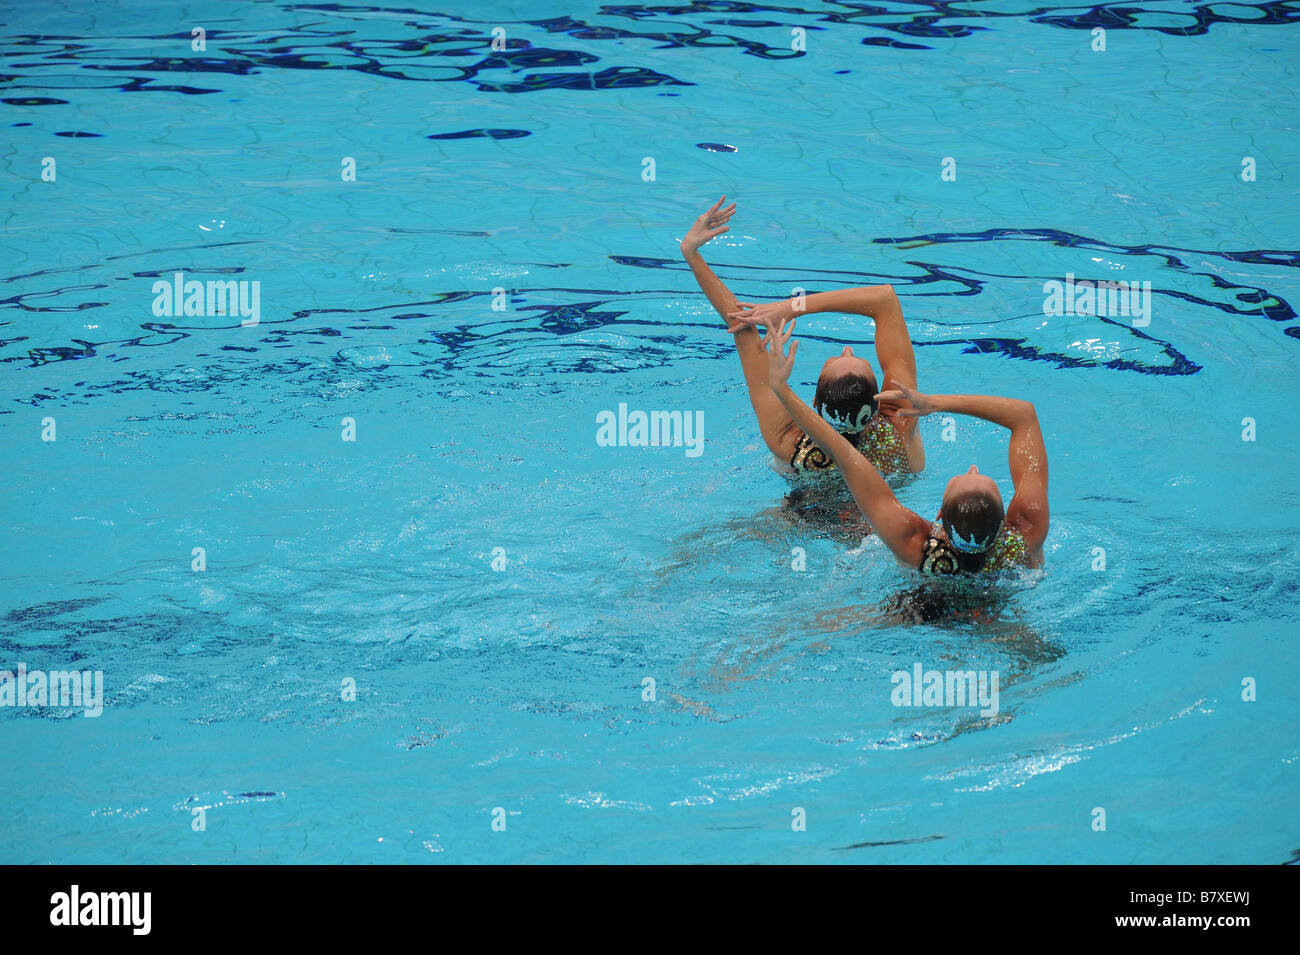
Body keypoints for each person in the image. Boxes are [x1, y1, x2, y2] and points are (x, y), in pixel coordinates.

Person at [750, 314, 1049, 576]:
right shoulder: (1024, 541)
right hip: (940, 609)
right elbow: (1025, 417)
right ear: (1000, 527)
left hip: (808, 510)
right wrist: (938, 403)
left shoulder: (912, 543)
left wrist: (781, 389)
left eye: (966, 476)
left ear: (939, 519)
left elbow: (843, 454)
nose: (972, 467)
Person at [680, 196, 924, 479]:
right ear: (881, 399)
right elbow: (885, 299)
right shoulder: (899, 427)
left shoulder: (790, 440)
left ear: (814, 405)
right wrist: (793, 308)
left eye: (840, 357)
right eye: (854, 356)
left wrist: (691, 253)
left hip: (801, 517)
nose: (847, 349)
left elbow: (741, 325)